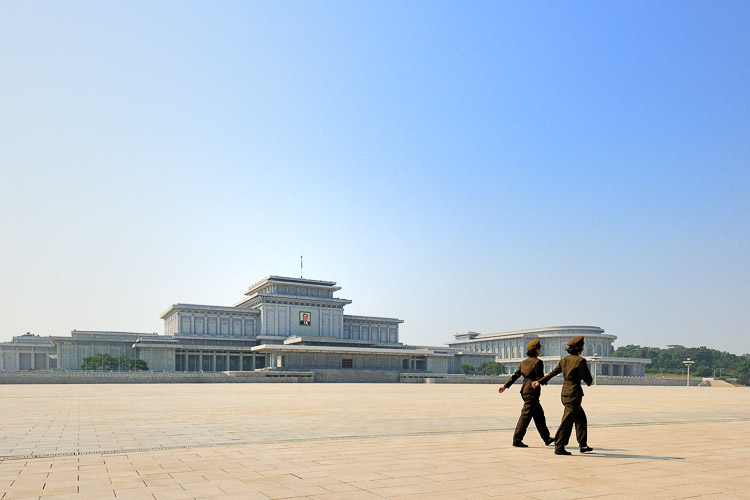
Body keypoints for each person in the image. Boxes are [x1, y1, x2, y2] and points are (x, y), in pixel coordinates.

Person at [532, 335, 594, 455]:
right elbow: (588, 379)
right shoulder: (580, 361)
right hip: (574, 394)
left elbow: (553, 373)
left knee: (581, 418)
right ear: (580, 348)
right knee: (567, 421)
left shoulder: (564, 360)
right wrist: (589, 382)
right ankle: (559, 445)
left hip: (565, 392)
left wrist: (540, 381)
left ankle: (583, 445)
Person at [499, 339, 554, 448]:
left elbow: (516, 375)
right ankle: (517, 439)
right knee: (526, 416)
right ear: (537, 350)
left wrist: (505, 386)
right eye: (540, 348)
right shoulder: (538, 362)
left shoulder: (524, 362)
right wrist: (544, 382)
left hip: (524, 389)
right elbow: (540, 378)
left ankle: (546, 438)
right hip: (532, 390)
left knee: (539, 415)